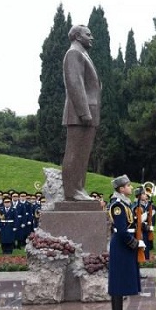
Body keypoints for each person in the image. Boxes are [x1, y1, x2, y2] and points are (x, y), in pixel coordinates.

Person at [62, 24, 102, 201]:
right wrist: (84, 112)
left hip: (87, 113)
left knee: (83, 155)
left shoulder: (82, 53)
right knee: (75, 153)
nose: (92, 37)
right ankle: (72, 191)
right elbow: (75, 83)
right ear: (77, 36)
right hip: (80, 114)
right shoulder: (74, 53)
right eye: (88, 34)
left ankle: (79, 188)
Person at [107, 175, 142, 310]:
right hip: (122, 244)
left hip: (124, 244)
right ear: (121, 189)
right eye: (128, 186)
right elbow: (121, 230)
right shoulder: (118, 206)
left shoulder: (124, 204)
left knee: (121, 278)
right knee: (118, 279)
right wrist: (133, 242)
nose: (131, 188)